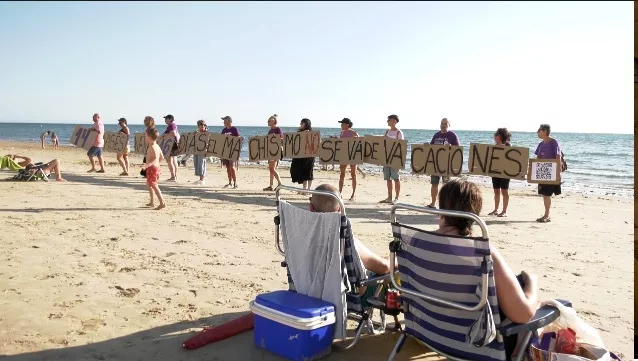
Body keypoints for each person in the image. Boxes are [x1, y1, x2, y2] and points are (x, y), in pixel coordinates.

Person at [436, 179, 538, 358]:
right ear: (474, 213)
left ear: (441, 207)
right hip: (476, 346)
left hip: (431, 336)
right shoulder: (484, 254)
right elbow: (523, 315)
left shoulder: (416, 243)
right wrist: (531, 285)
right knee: (520, 284)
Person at [309, 184, 391, 279]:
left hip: (306, 289)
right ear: (340, 209)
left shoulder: (299, 234)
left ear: (311, 207)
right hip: (345, 292)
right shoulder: (344, 240)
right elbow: (384, 267)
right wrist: (396, 259)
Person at [426, 118, 460, 209]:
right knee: (434, 183)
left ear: (449, 125)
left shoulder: (453, 135)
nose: (443, 125)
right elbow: (431, 148)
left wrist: (451, 147)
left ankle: (446, 205)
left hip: (446, 165)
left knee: (446, 185)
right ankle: (433, 203)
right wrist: (427, 146)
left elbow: (458, 150)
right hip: (435, 164)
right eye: (442, 123)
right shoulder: (436, 135)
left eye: (445, 123)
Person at [534, 124, 563, 223]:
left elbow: (558, 157)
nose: (537, 132)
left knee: (547, 194)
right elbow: (537, 159)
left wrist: (558, 173)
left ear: (545, 131)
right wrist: (533, 173)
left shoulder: (553, 142)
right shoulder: (541, 144)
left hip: (552, 172)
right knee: (544, 194)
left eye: (539, 130)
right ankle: (546, 215)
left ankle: (547, 215)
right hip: (543, 172)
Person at [337, 118, 365, 201]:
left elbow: (359, 143)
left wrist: (357, 138)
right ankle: (340, 192)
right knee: (342, 174)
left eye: (342, 124)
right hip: (344, 155)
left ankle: (353, 194)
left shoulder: (353, 132)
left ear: (347, 125)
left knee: (353, 175)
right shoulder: (342, 133)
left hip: (353, 156)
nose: (341, 125)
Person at [379, 114, 403, 204]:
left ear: (394, 121)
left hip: (395, 158)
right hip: (386, 158)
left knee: (396, 178)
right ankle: (389, 197)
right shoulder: (387, 132)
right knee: (388, 178)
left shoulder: (398, 133)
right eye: (388, 120)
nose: (387, 121)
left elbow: (401, 146)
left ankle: (396, 198)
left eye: (389, 120)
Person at [488, 128, 512, 217]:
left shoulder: (508, 145)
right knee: (496, 191)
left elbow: (512, 156)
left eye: (496, 134)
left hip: (505, 172)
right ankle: (496, 210)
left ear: (501, 136)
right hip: (495, 171)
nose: (494, 136)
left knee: (504, 191)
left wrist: (503, 147)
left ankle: (504, 211)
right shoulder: (494, 146)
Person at [141, 128, 166, 210]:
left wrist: (148, 165)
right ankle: (152, 202)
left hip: (152, 168)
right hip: (154, 168)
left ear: (149, 137)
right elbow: (161, 157)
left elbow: (155, 158)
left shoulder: (152, 146)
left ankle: (162, 202)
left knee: (154, 185)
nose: (145, 137)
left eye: (145, 136)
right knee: (149, 185)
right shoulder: (156, 146)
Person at [290, 118, 315, 193]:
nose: (300, 124)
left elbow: (316, 142)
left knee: (309, 172)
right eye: (300, 123)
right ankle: (304, 189)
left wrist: (308, 134)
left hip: (310, 156)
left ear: (306, 124)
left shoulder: (312, 133)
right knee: (302, 171)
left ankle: (308, 189)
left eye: (302, 123)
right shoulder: (298, 132)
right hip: (301, 156)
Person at [219, 116, 240, 188]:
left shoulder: (234, 129)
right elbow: (221, 140)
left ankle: (235, 183)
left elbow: (238, 139)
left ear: (229, 121)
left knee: (232, 166)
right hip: (225, 151)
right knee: (228, 168)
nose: (223, 122)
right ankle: (230, 183)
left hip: (233, 151)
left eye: (225, 120)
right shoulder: (224, 130)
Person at [263, 114, 283, 191]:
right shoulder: (270, 130)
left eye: (269, 120)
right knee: (271, 168)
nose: (268, 122)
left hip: (276, 151)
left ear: (274, 121)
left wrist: (275, 137)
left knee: (272, 168)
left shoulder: (278, 129)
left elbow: (281, 139)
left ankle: (280, 183)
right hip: (270, 151)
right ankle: (271, 185)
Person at [163, 114, 180, 182]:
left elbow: (173, 133)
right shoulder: (173, 125)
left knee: (170, 161)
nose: (165, 120)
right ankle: (175, 176)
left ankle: (173, 176)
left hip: (171, 144)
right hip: (174, 144)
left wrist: (165, 135)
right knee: (174, 161)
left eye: (166, 119)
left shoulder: (172, 125)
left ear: (170, 119)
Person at [193, 120, 209, 185]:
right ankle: (200, 179)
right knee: (197, 164)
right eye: (201, 125)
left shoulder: (207, 133)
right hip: (197, 150)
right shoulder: (197, 133)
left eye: (204, 125)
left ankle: (202, 179)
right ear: (198, 126)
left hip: (203, 151)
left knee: (202, 164)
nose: (202, 126)